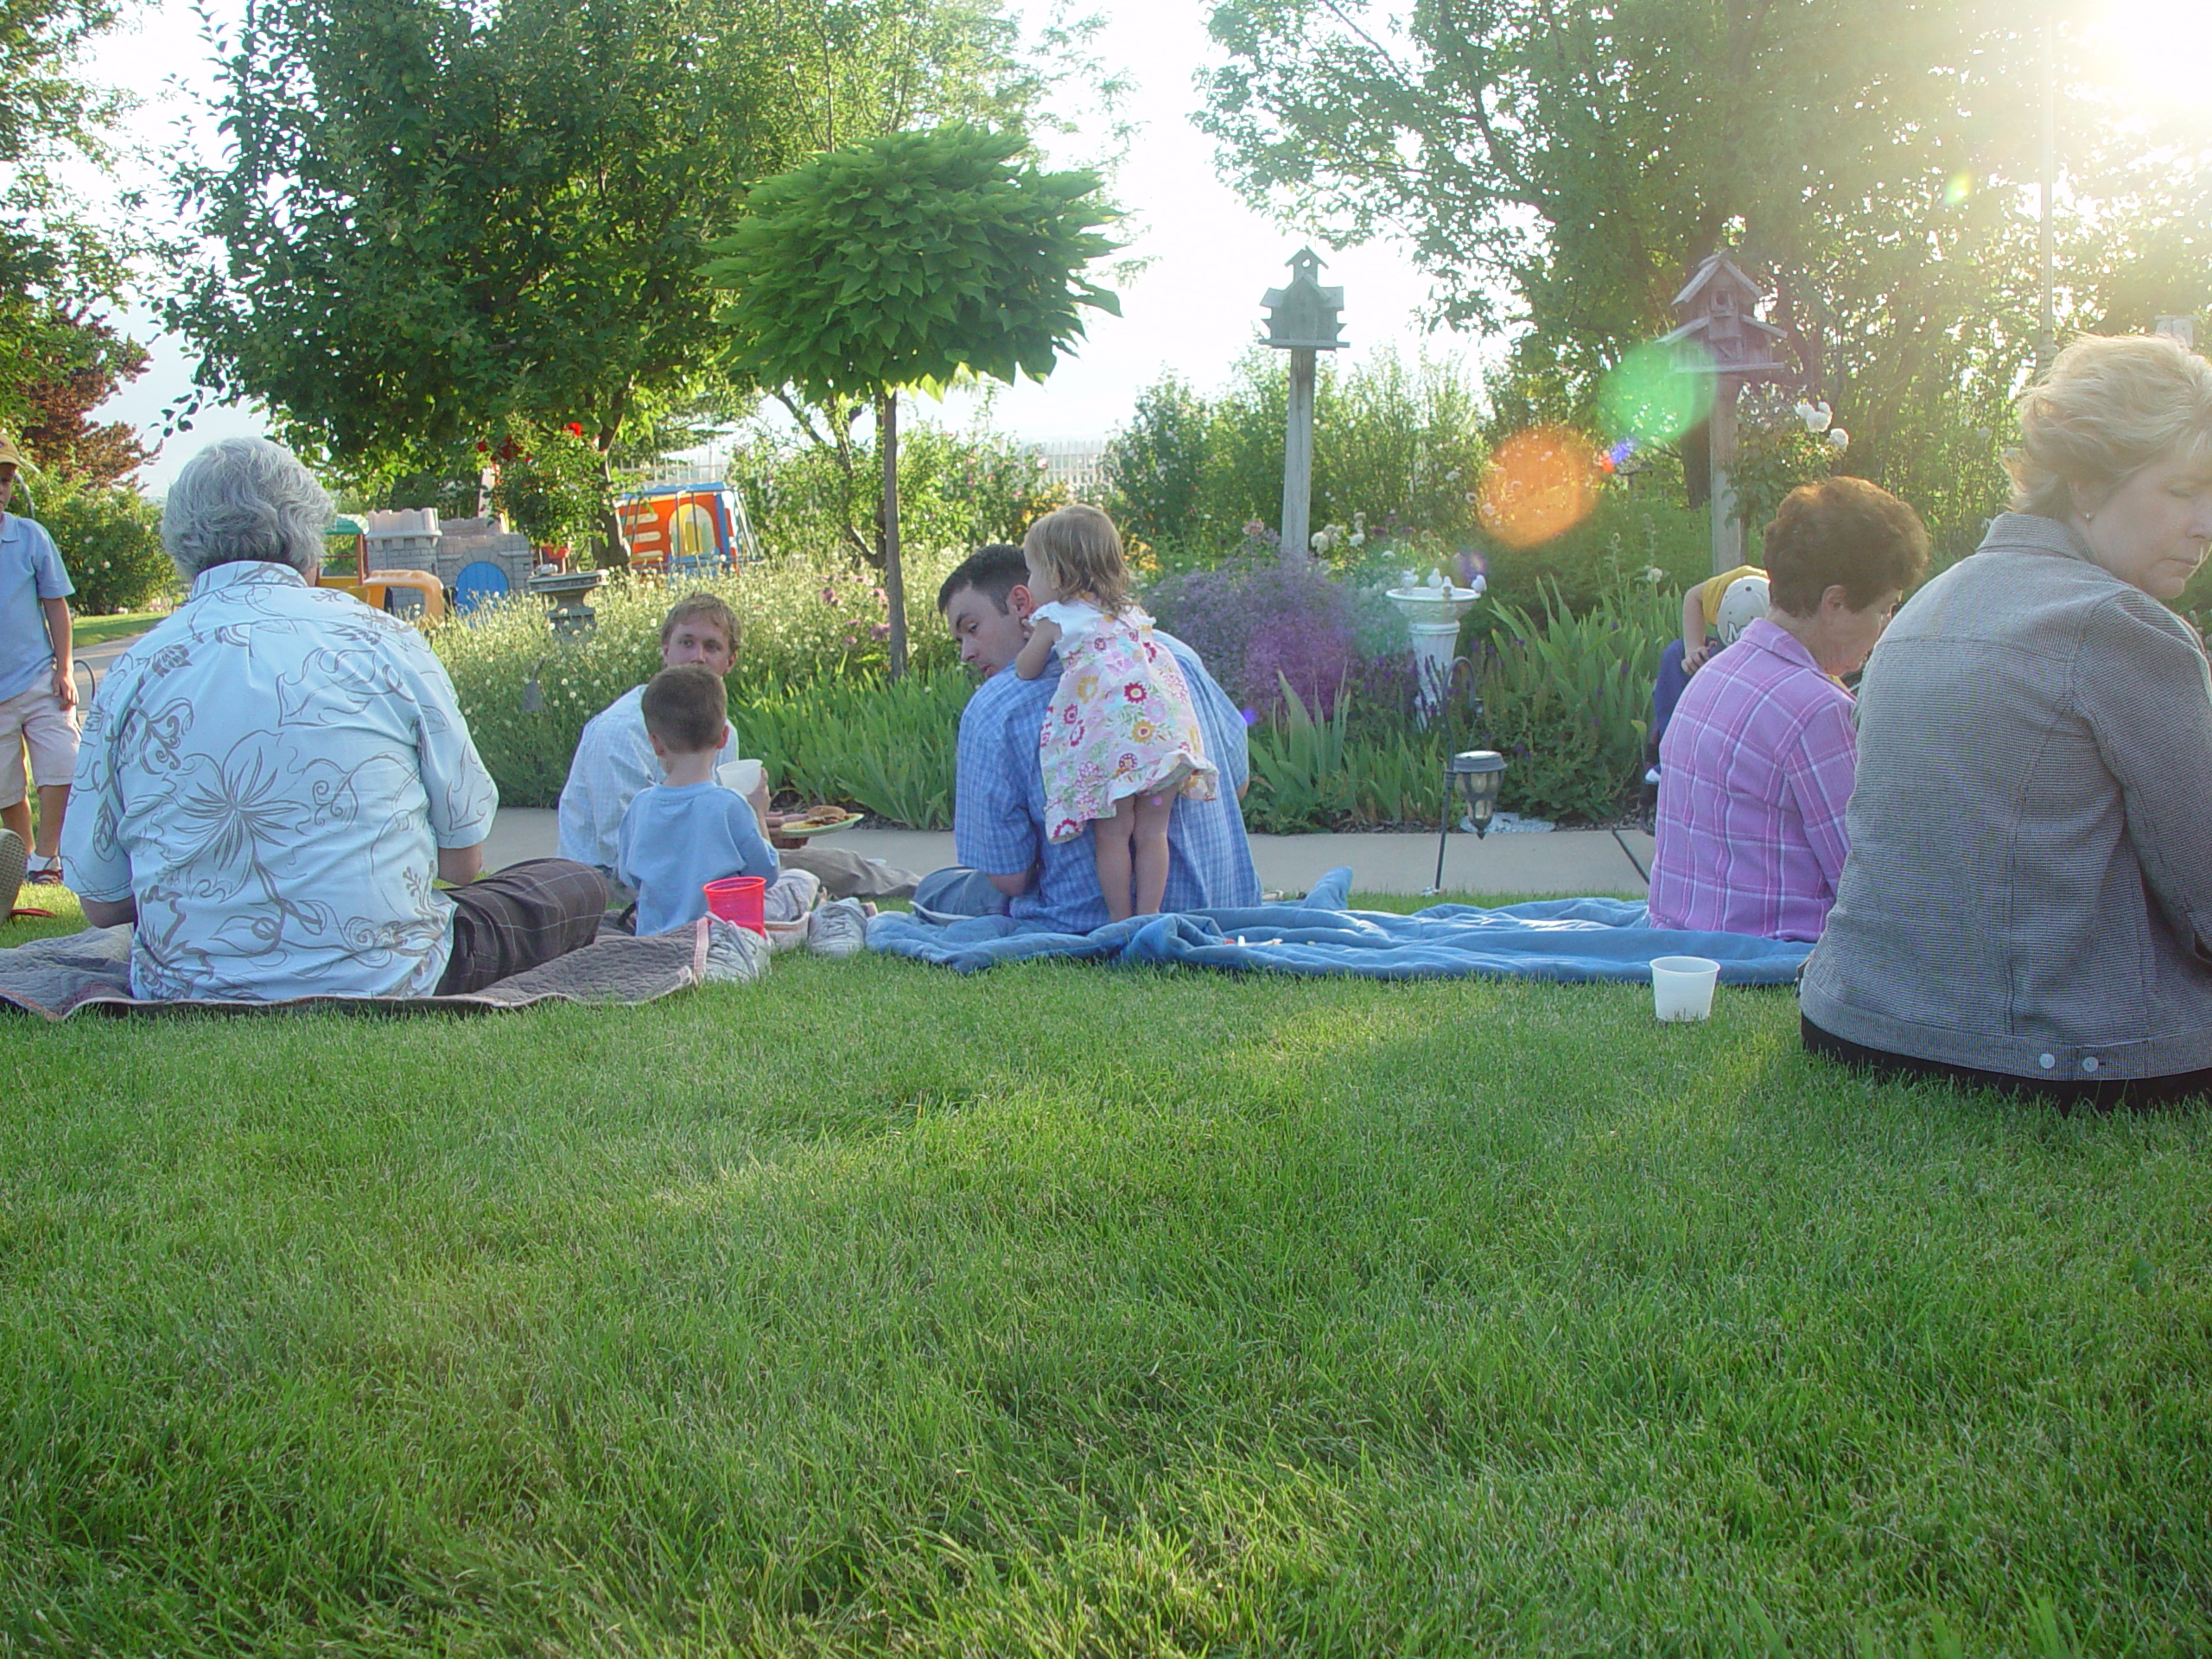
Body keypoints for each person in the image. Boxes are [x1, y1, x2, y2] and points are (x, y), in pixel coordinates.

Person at [1801, 334, 2212, 1104]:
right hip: (2040, 1049)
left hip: (1854, 1018)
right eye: (2185, 490)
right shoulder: (2125, 625)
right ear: (2087, 485)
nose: (2207, 524)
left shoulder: (1929, 605)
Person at [61, 437, 607, 999]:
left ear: (181, 545)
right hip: (389, 974)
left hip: (186, 986)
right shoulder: (386, 641)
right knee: (575, 881)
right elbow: (462, 863)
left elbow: (103, 904)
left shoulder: (133, 670)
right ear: (309, 541)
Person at [919, 542, 1260, 932]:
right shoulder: (1174, 655)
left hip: (1082, 924)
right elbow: (1237, 786)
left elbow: (1010, 878)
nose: (966, 653)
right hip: (1222, 911)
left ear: (1020, 602)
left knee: (939, 887)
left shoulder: (998, 707)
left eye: (972, 629)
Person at [1648, 476, 1928, 941]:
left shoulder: (1715, 674)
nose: (1887, 628)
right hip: (1770, 953)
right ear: (1834, 603)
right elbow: (1869, 888)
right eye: (1885, 610)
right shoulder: (1818, 710)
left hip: (1685, 936)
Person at [556, 592, 915, 901]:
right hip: (617, 882)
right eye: (686, 642)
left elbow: (711, 814)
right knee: (813, 874)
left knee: (834, 865)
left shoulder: (722, 729)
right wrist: (746, 832)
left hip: (694, 863)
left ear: (729, 662)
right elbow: (624, 855)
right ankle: (921, 890)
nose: (697, 656)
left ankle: (930, 888)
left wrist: (761, 826)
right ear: (665, 650)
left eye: (711, 646)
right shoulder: (620, 731)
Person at [1014, 505, 1217, 920]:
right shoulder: (1130, 613)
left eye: (1032, 572)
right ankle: (1151, 915)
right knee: (1153, 831)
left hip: (1113, 747)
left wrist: (1032, 635)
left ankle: (1121, 922)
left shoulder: (1056, 617)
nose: (1030, 583)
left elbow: (1025, 669)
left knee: (1111, 834)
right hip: (1161, 739)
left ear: (1057, 574)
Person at [615, 664, 779, 936]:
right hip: (717, 939)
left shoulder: (639, 806)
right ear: (724, 737)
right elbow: (766, 875)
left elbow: (628, 876)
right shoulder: (730, 804)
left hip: (653, 939)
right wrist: (758, 813)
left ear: (655, 742)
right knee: (802, 881)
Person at [0, 433, 78, 887]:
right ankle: (22, 859)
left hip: (39, 680)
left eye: (7, 480)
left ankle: (47, 859)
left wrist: (64, 669)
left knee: (62, 764)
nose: (1, 488)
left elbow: (55, 605)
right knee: (7, 786)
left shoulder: (30, 536)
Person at [1649, 560, 1764, 751]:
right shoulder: (1743, 580)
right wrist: (1693, 649)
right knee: (1675, 653)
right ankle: (1670, 747)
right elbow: (1694, 596)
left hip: (1769, 663)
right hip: (1725, 650)